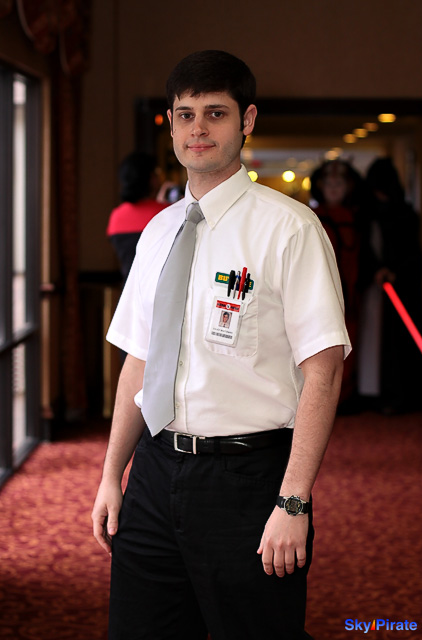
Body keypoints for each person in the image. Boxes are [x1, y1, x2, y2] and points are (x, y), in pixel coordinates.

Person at [92, 50, 351, 640]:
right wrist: (112, 474)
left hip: (248, 480)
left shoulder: (290, 229)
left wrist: (293, 501)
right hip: (153, 473)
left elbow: (324, 371)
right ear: (171, 124)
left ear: (247, 120)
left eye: (216, 113)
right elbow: (139, 360)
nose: (198, 129)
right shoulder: (158, 230)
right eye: (185, 115)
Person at [358, 157, 422, 413]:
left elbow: (412, 253)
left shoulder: (405, 215)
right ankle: (374, 392)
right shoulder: (366, 215)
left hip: (400, 290)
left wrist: (395, 271)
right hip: (374, 291)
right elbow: (363, 250)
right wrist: (376, 270)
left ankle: (402, 394)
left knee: (400, 342)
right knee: (374, 342)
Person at [310, 160, 363, 410]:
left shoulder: (357, 218)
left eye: (338, 183)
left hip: (352, 293)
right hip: (321, 294)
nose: (333, 188)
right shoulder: (311, 218)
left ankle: (346, 394)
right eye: (329, 183)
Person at [106, 151, 169, 282]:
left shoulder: (116, 215)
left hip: (128, 288)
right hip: (158, 288)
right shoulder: (166, 213)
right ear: (151, 178)